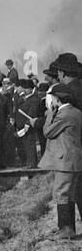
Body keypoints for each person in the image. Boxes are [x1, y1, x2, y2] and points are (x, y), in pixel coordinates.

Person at [40, 83, 82, 238]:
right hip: (74, 158)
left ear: (57, 99)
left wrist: (50, 113)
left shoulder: (64, 114)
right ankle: (68, 229)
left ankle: (66, 229)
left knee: (61, 193)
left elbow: (48, 132)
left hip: (65, 160)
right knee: (70, 194)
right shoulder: (76, 112)